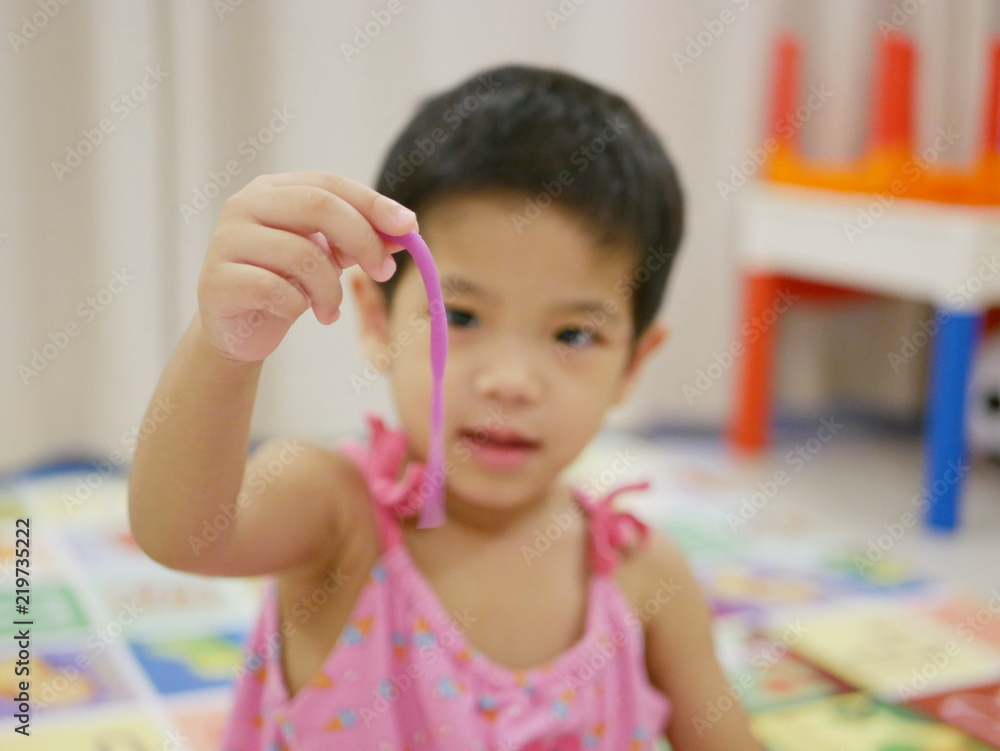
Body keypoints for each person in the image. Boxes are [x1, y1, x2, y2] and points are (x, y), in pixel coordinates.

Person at [128, 64, 761, 750]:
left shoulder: (645, 578)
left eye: (574, 335)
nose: (511, 381)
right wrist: (224, 347)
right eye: (459, 316)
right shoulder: (334, 513)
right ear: (376, 319)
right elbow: (181, 533)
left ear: (633, 363)